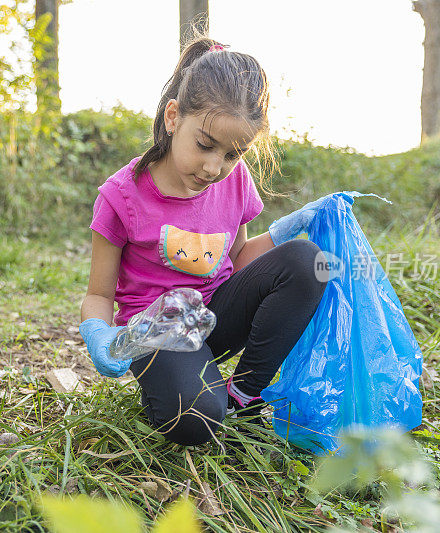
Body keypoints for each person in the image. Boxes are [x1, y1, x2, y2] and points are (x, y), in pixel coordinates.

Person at [79, 37, 329, 446]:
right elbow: (98, 294)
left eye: (234, 154)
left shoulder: (235, 181)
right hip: (157, 331)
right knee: (197, 419)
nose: (215, 167)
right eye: (205, 145)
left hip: (217, 313)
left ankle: (244, 394)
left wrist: (286, 232)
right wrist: (99, 334)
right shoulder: (119, 198)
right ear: (174, 117)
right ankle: (190, 387)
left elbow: (239, 260)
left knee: (308, 261)